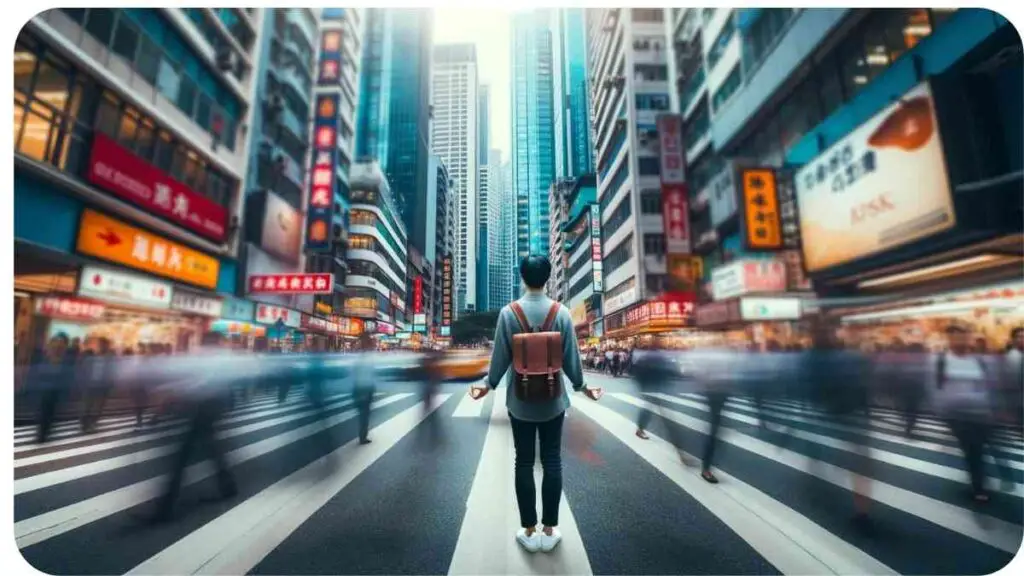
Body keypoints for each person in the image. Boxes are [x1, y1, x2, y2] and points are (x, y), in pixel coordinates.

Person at [470, 254, 601, 554]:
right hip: (554, 401)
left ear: (522, 277)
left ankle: (528, 529)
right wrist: (583, 387)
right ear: (548, 278)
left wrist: (486, 386)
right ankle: (549, 529)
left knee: (524, 462)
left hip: (520, 402)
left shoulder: (508, 313)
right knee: (552, 460)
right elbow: (572, 360)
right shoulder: (562, 313)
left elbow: (500, 358)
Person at [934, 324, 997, 502]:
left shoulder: (980, 360)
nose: (960, 340)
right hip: (956, 415)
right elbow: (935, 387)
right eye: (955, 337)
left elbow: (989, 384)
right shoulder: (941, 360)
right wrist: (940, 409)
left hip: (981, 413)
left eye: (963, 336)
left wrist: (992, 407)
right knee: (973, 449)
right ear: (949, 339)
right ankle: (979, 487)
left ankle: (978, 482)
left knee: (977, 449)